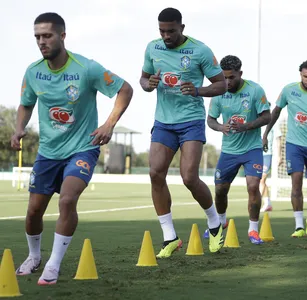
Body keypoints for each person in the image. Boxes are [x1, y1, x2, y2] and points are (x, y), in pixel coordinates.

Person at [11, 13, 133, 285]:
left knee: (67, 199)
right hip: (48, 153)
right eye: (37, 37)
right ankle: (34, 256)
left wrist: (109, 124)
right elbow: (26, 103)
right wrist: (20, 127)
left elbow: (125, 89)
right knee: (33, 212)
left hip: (82, 148)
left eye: (47, 36)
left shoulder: (86, 68)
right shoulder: (33, 72)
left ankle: (53, 265)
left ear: (62, 36)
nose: (41, 42)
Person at [139, 7, 227, 258]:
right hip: (163, 122)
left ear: (182, 28)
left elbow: (221, 84)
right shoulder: (152, 48)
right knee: (155, 173)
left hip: (190, 121)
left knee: (189, 177)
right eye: (162, 31)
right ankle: (170, 237)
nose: (166, 36)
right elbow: (143, 79)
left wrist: (198, 91)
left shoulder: (200, 50)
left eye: (171, 31)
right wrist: (149, 85)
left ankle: (214, 224)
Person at [263, 60, 307, 238]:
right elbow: (276, 111)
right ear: (300, 74)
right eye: (305, 76)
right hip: (294, 145)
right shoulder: (289, 90)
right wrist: (265, 133)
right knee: (296, 185)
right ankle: (298, 226)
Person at [205, 55, 270, 244]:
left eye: (231, 77)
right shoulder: (218, 92)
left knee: (252, 186)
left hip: (252, 148)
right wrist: (220, 127)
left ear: (240, 74)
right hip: (229, 150)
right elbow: (210, 120)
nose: (227, 81)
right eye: (224, 77)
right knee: (220, 190)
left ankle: (253, 230)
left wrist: (247, 126)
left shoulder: (255, 90)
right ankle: (221, 222)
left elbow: (266, 117)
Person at [260, 120, 283, 212]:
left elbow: (278, 139)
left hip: (267, 154)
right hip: (256, 153)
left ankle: (255, 203)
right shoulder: (256, 120)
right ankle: (267, 203)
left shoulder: (272, 121)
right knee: (260, 180)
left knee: (261, 179)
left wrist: (279, 155)